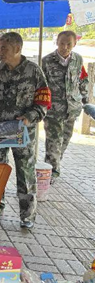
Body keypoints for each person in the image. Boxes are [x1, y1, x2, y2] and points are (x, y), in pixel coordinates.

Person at [0, 32, 50, 229]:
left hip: (23, 133)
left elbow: (44, 101)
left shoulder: (34, 71)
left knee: (25, 173)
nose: (0, 52)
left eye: (5, 49)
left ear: (18, 49)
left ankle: (27, 216)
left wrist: (30, 117)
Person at [42, 31, 89, 183]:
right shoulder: (47, 61)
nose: (65, 47)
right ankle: (52, 172)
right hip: (53, 109)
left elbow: (83, 80)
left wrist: (84, 98)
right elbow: (41, 83)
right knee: (53, 141)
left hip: (72, 108)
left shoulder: (77, 59)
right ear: (57, 42)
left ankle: (51, 165)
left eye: (69, 44)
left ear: (74, 44)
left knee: (65, 140)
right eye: (62, 43)